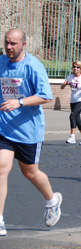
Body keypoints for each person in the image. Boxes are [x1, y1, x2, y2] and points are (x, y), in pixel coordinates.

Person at [0, 28, 62, 236]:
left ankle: (52, 200)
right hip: (4, 128)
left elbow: (45, 96)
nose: (9, 47)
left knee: (30, 172)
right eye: (6, 43)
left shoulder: (33, 66)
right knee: (1, 169)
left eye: (13, 44)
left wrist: (19, 102)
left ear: (23, 45)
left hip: (28, 130)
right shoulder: (1, 63)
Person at [61, 61, 81, 146]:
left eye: (77, 67)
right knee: (77, 118)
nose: (75, 69)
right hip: (73, 100)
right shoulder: (70, 77)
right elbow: (62, 87)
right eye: (74, 67)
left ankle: (72, 137)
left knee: (72, 116)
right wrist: (64, 84)